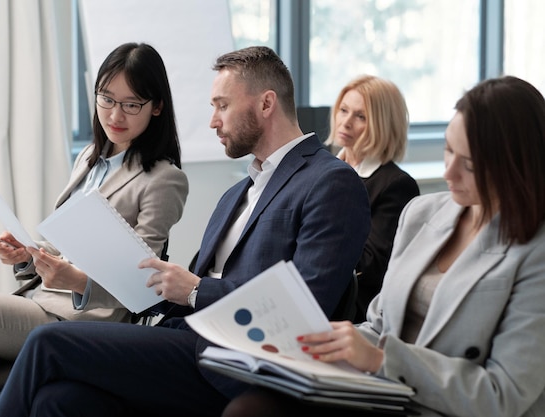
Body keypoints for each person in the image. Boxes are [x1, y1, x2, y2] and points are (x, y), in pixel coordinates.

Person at [0, 45, 371, 417]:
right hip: (183, 338)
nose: (213, 120)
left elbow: (308, 301)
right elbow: (179, 292)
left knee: (48, 343)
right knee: (60, 400)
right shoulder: (236, 194)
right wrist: (109, 280)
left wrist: (198, 290)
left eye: (222, 105)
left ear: (266, 104)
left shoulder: (329, 181)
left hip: (236, 359)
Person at [221, 75, 545, 417]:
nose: (448, 173)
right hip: (379, 388)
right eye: (448, 150)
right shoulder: (423, 214)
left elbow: (503, 394)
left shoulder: (535, 250)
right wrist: (319, 343)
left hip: (440, 403)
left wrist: (381, 358)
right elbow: (378, 324)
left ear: (516, 166)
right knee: (250, 406)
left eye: (469, 165)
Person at [0, 42, 188, 417]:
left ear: (156, 107)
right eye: (107, 99)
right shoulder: (90, 158)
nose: (115, 114)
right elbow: (75, 246)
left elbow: (141, 284)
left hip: (78, 324)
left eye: (132, 104)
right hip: (37, 304)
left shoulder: (163, 179)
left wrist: (76, 281)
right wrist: (30, 254)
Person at [325, 75, 419, 322]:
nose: (345, 122)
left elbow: (370, 267)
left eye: (361, 117)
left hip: (353, 309)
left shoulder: (396, 185)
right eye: (343, 110)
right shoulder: (320, 170)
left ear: (382, 125)